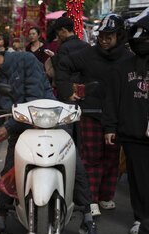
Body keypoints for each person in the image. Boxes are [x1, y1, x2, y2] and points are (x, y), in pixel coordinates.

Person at [0, 38, 100, 234]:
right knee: (8, 172)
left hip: (51, 121)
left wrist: (8, 127)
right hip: (20, 129)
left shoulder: (26, 60)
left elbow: (32, 101)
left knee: (74, 165)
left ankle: (87, 217)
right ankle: (2, 220)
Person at [56, 14, 133, 216]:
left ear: (120, 36)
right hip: (91, 113)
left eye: (110, 36)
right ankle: (90, 200)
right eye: (102, 36)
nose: (104, 40)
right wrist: (66, 91)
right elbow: (63, 65)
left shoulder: (128, 58)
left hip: (116, 117)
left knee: (112, 158)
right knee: (91, 158)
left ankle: (106, 196)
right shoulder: (88, 54)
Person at [102, 15, 149, 234]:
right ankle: (141, 218)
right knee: (138, 178)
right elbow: (112, 99)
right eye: (138, 37)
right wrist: (110, 127)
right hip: (132, 133)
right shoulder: (121, 68)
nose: (141, 41)